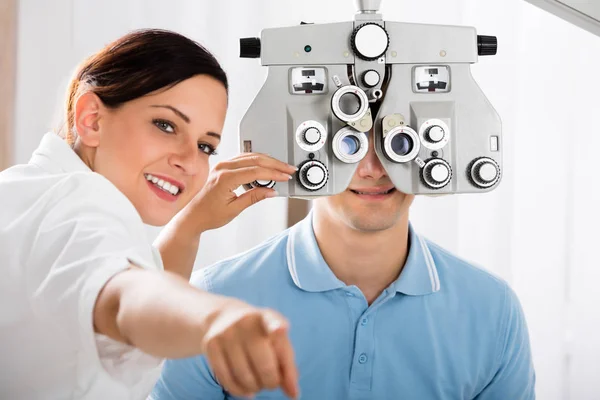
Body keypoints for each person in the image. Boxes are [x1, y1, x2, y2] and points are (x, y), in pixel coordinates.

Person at [0, 29, 300, 400]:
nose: (190, 162)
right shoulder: (80, 202)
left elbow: (118, 296)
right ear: (91, 119)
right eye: (166, 125)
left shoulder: (26, 190)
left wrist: (191, 225)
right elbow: (124, 298)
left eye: (206, 146)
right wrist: (213, 319)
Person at [151, 114, 537, 399]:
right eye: (348, 145)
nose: (373, 169)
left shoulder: (491, 310)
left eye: (398, 145)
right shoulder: (213, 299)